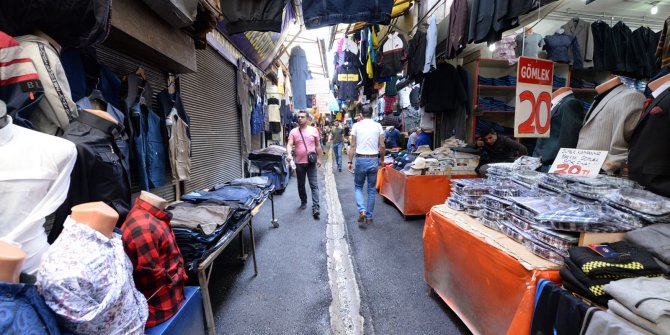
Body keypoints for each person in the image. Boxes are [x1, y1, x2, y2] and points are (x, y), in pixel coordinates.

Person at [347, 105, 385, 225]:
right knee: (371, 189)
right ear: (372, 113)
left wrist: (349, 161)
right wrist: (382, 160)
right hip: (373, 159)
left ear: (361, 114)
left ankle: (362, 209)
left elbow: (352, 146)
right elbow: (382, 146)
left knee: (358, 186)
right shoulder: (378, 126)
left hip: (360, 159)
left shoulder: (356, 126)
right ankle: (369, 217)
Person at [287, 111, 323, 219]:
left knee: (314, 185)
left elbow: (317, 145)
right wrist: (289, 154)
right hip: (299, 163)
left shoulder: (314, 130)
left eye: (302, 117)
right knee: (301, 185)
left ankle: (316, 207)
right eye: (298, 117)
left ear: (307, 119)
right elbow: (289, 144)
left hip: (311, 163)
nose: (299, 118)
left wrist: (320, 159)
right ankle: (303, 201)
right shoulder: (293, 131)